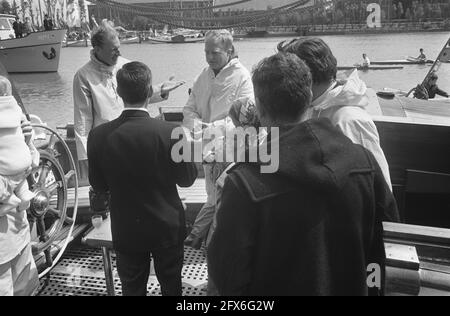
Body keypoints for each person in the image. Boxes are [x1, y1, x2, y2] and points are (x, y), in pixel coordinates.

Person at [208, 52, 400, 296]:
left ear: (260, 107)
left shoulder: (244, 182)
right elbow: (386, 245)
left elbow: (228, 276)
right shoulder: (364, 162)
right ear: (309, 96)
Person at [87, 61, 197, 296]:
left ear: (118, 92)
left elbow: (99, 185)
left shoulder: (97, 136)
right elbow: (187, 180)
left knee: (132, 288)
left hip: (127, 228)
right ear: (149, 92)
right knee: (171, 286)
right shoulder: (172, 132)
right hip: (167, 226)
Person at [74, 19, 185, 179]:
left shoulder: (127, 66)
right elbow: (82, 121)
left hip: (135, 141)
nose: (118, 53)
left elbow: (138, 98)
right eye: (113, 50)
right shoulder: (83, 76)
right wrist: (85, 157)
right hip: (107, 145)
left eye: (119, 48)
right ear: (97, 49)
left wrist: (160, 90)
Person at [278, 38, 392, 189]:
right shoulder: (313, 108)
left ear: (306, 77)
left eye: (288, 77)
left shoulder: (349, 120)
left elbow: (376, 188)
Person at [183, 29, 254, 249]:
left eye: (214, 52)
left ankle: (203, 239)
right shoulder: (203, 76)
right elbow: (190, 109)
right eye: (206, 52)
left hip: (233, 150)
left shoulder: (243, 77)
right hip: (208, 150)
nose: (209, 57)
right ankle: (206, 242)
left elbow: (246, 116)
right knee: (213, 195)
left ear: (229, 50)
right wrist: (197, 128)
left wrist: (212, 128)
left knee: (223, 200)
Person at [0, 76, 40, 296]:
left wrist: (25, 142)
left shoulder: (11, 117)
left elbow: (32, 162)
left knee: (26, 286)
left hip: (19, 230)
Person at [0, 77, 38, 216]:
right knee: (19, 178)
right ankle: (23, 194)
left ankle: (12, 199)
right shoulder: (16, 109)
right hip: (22, 161)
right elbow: (27, 135)